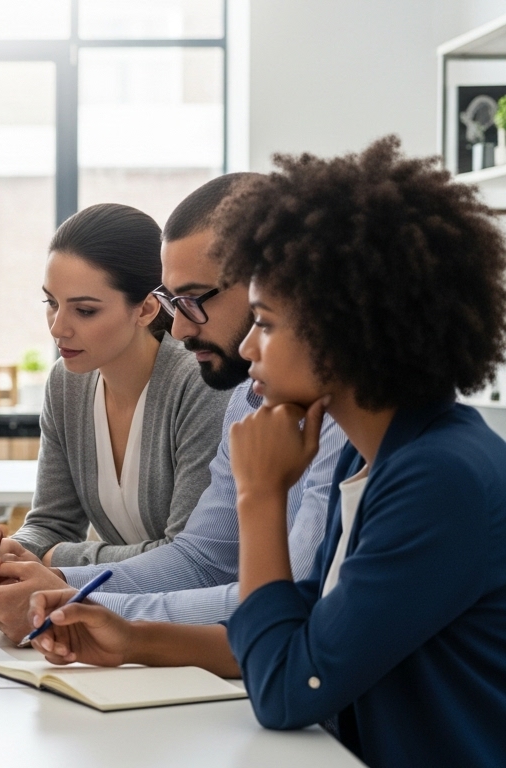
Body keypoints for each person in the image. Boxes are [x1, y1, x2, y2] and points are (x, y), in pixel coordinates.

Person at [28, 137, 506, 766]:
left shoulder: (436, 477)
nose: (250, 348)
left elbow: (288, 686)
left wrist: (260, 493)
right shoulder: (373, 457)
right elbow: (302, 626)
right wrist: (133, 636)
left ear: (347, 327)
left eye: (269, 324)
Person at [0, 173, 346, 642]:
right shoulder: (248, 397)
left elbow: (292, 608)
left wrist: (65, 594)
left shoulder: (243, 396)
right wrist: (50, 587)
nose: (178, 329)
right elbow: (204, 560)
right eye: (172, 301)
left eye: (193, 300)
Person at [7, 203, 231, 566]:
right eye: (51, 303)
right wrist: (10, 552)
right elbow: (52, 523)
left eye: (85, 310)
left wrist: (52, 558)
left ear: (146, 309)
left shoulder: (198, 383)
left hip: (186, 614)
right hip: (113, 607)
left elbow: (185, 557)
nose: (57, 327)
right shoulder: (66, 383)